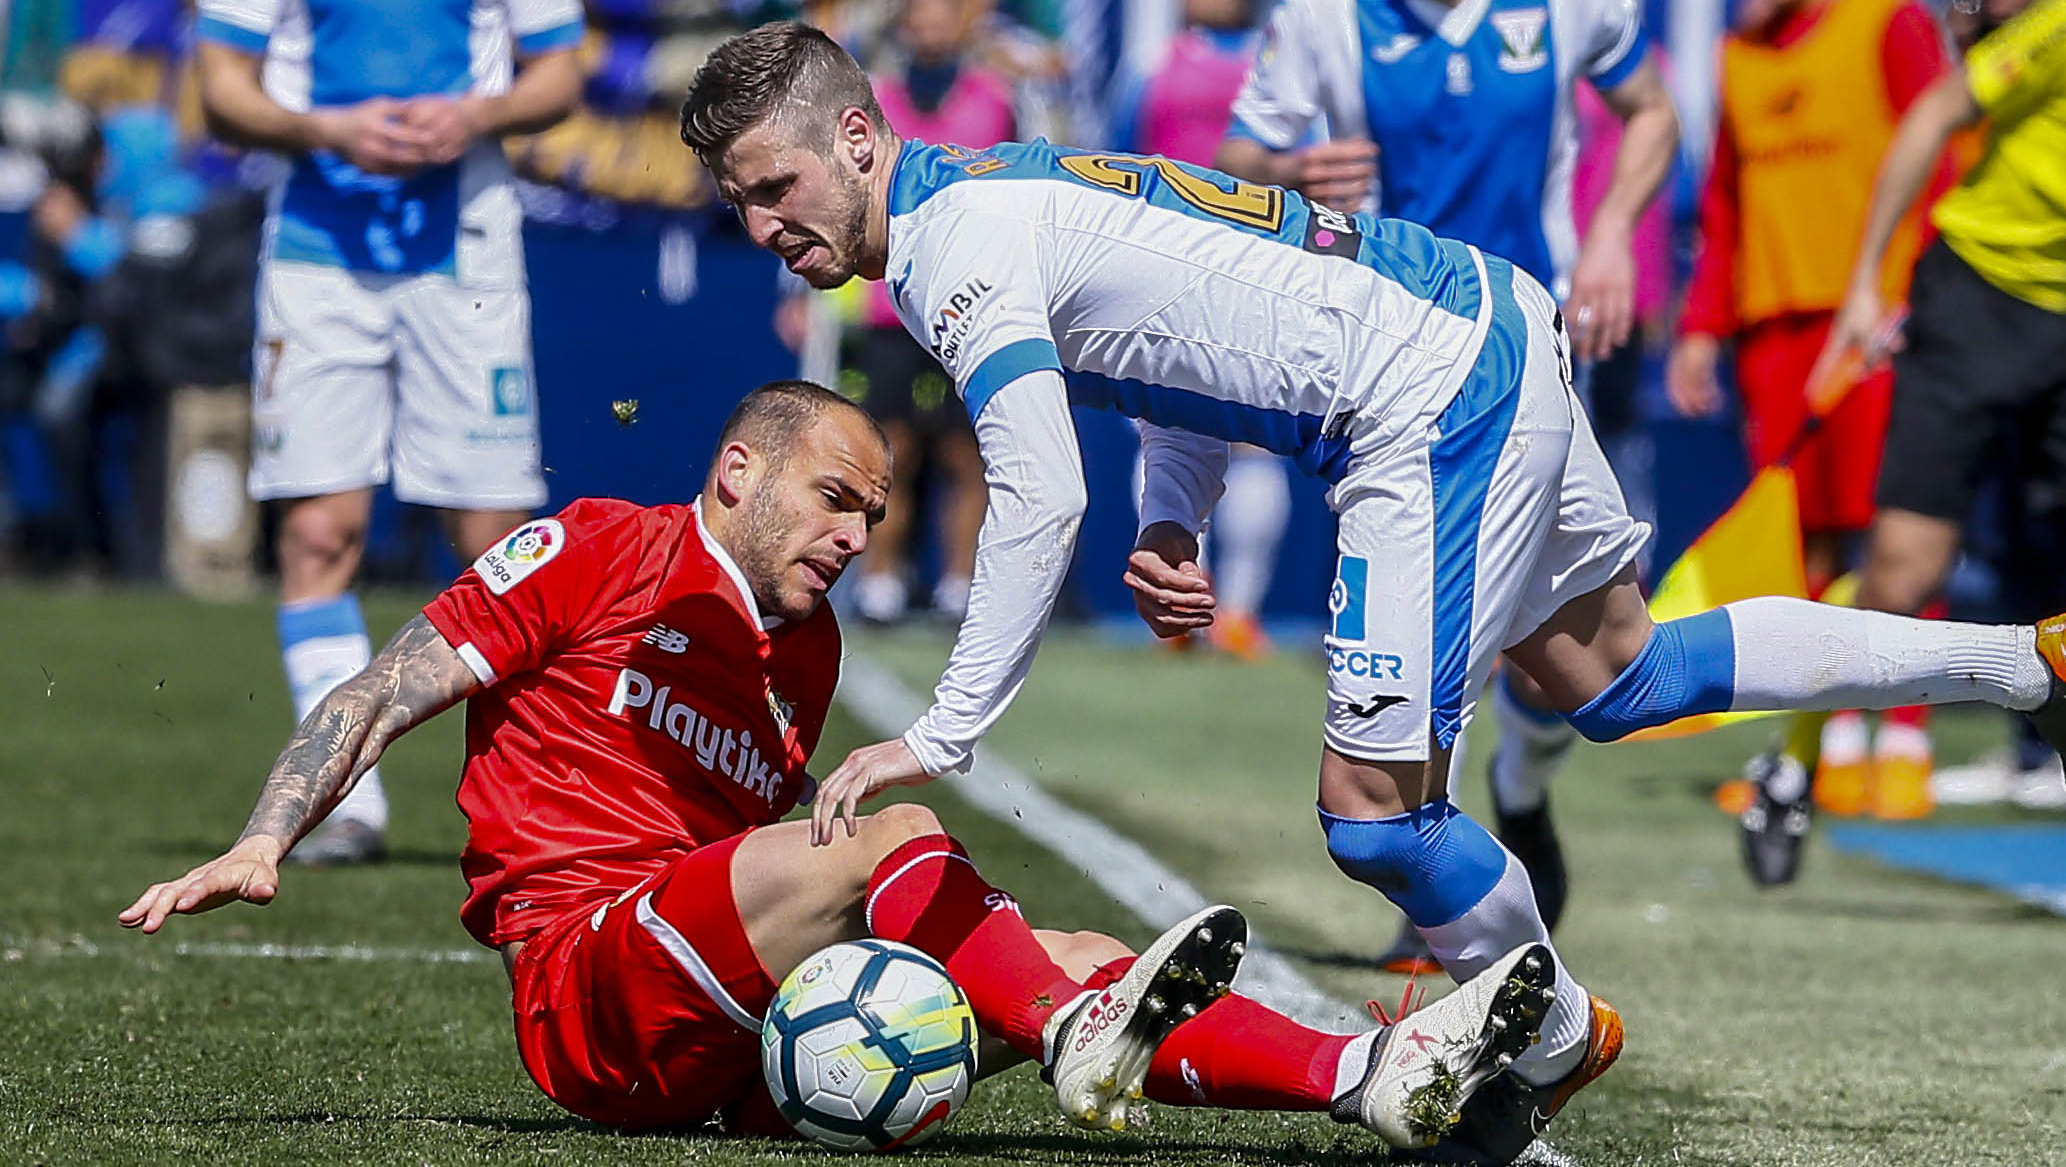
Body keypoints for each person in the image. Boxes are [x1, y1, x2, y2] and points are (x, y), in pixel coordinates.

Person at [678, 21, 2066, 1162]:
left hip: (1426, 397)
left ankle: (1542, 1045)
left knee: (1373, 816)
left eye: (770, 186)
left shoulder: (950, 245)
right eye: (738, 201)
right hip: (1475, 318)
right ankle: (2029, 660)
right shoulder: (983, 199)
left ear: (855, 139)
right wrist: (1176, 510)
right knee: (1615, 675)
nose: (756, 224)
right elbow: (1173, 338)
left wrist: (940, 734)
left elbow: (1042, 495)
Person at [117, 380, 1557, 1143]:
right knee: (880, 830)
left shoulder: (801, 652)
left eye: (871, 513)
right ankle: (1068, 1035)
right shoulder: (601, 544)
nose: (855, 534)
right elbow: (381, 687)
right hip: (586, 980)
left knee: (1084, 942)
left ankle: (1361, 1073)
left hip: (713, 1004)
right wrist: (267, 834)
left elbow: (769, 881)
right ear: (738, 469)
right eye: (832, 498)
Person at [1212, 0, 1681, 968]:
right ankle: (1439, 884)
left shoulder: (1566, 8)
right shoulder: (1321, 21)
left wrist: (1609, 237)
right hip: (1386, 366)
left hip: (1530, 348)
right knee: (1434, 632)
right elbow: (1234, 164)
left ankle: (1520, 786)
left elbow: (1652, 110)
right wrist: (1292, 173)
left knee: (1564, 660)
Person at [193, 0, 587, 865]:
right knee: (317, 530)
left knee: (498, 545)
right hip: (314, 247)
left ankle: (549, 798)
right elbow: (220, 82)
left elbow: (561, 69)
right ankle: (344, 800)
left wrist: (475, 113)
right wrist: (325, 128)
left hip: (469, 243)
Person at [1666, 0, 1958, 830]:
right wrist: (1700, 328)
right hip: (1775, 337)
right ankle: (1819, 750)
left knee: (1899, 526)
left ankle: (1904, 742)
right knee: (1807, 544)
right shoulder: (1735, 59)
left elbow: (1940, 165)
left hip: (1879, 324)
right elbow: (1725, 207)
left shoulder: (1885, 24)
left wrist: (1917, 293)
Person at [1810, 0, 2066, 831]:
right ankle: (1805, 748)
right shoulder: (2057, 25)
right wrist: (1863, 288)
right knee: (1905, 572)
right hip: (1978, 300)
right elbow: (1931, 114)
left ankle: (2037, 753)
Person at [1111, 0, 1292, 661]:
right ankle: (1181, 600)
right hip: (1163, 266)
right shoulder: (1149, 59)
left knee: (1255, 439)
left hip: (1260, 262)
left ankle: (1237, 611)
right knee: (1163, 424)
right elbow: (1111, 157)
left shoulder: (1287, 50)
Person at [847, 0, 1014, 625]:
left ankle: (960, 585)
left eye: (946, 14)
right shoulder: (874, 98)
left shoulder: (997, 99)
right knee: (890, 450)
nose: (933, 27)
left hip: (970, 305)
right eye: (922, 15)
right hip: (890, 307)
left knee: (968, 453)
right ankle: (881, 582)